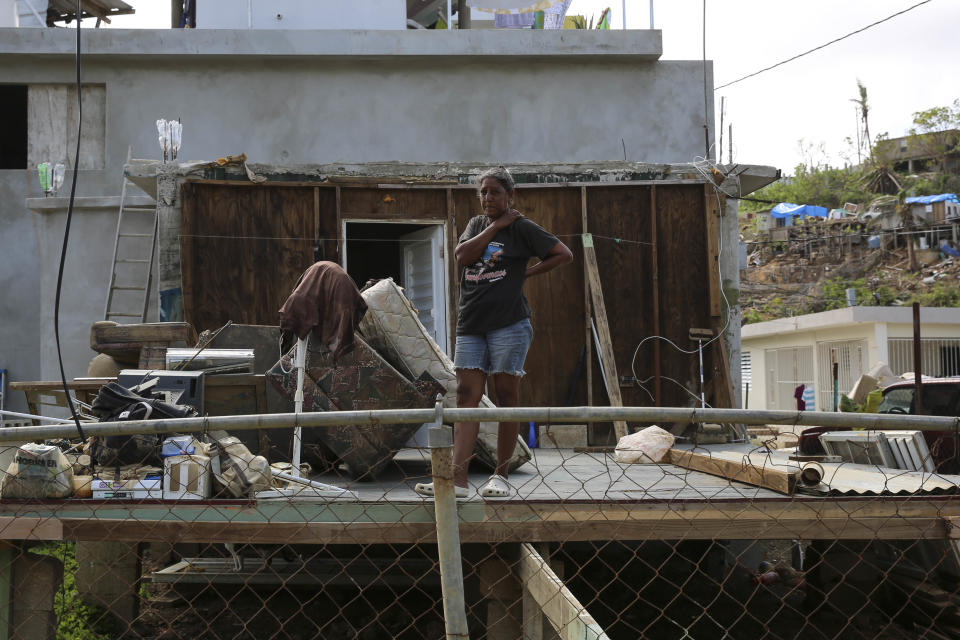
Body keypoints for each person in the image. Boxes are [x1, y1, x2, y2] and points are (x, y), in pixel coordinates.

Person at [416, 167, 572, 498]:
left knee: (505, 397)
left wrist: (527, 273)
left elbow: (562, 254)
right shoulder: (476, 225)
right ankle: (456, 480)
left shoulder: (524, 229)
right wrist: (497, 226)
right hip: (472, 323)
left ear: (509, 196)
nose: (488, 197)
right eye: (483, 192)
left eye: (495, 192)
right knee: (466, 397)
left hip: (509, 324)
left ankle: (499, 476)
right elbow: (462, 256)